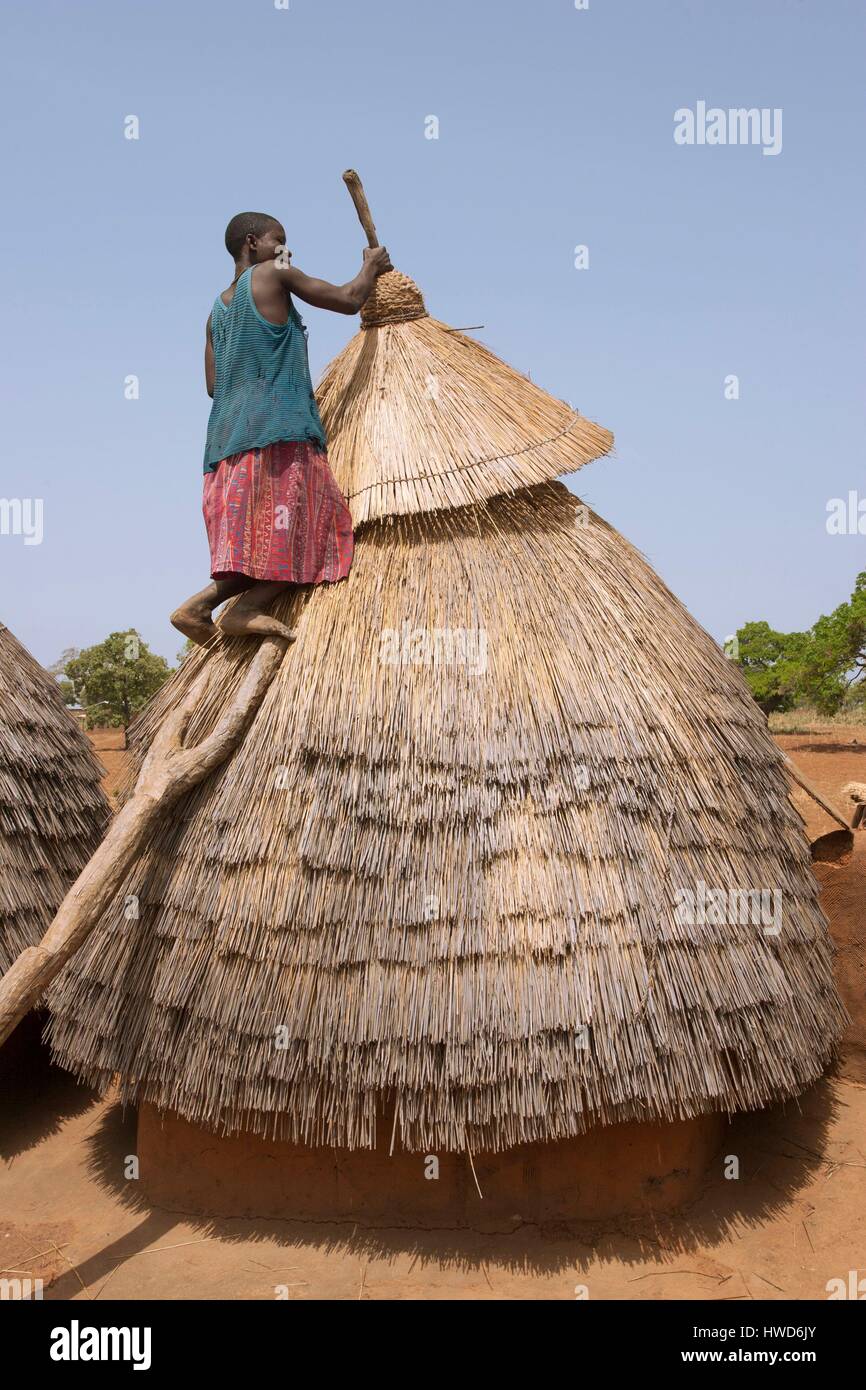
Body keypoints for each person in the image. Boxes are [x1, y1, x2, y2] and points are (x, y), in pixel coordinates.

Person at [171, 211, 392, 645]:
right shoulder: (275, 271)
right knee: (320, 530)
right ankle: (247, 608)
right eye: (281, 239)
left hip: (226, 444)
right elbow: (348, 299)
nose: (288, 249)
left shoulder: (216, 312)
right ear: (253, 243)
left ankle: (199, 606)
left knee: (257, 545)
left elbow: (214, 386)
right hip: (280, 429)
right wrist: (371, 265)